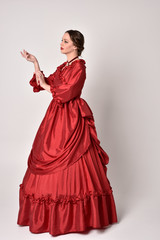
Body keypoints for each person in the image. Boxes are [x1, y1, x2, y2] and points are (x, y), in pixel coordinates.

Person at [17, 29, 118, 236]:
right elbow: (47, 83)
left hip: (71, 117)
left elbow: (67, 92)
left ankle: (78, 217)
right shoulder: (64, 66)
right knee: (47, 151)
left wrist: (47, 86)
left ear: (76, 45)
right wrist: (35, 63)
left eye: (65, 41)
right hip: (56, 115)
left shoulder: (79, 67)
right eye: (61, 40)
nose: (61, 43)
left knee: (77, 156)